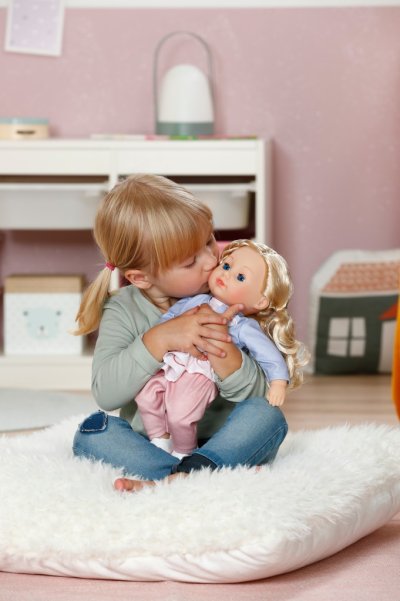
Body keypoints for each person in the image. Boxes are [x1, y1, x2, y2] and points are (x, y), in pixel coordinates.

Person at [72, 174, 290, 492]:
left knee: (267, 416)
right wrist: (160, 338)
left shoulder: (229, 298)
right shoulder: (122, 309)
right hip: (153, 443)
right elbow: (106, 393)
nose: (211, 260)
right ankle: (197, 476)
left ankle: (175, 478)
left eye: (209, 241)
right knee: (93, 431)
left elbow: (256, 394)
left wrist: (223, 350)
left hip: (222, 438)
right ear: (140, 277)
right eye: (190, 261)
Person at [136, 239, 307, 458]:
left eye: (240, 277)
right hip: (172, 361)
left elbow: (267, 353)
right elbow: (168, 320)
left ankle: (184, 453)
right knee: (146, 395)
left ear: (260, 301)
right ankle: (160, 440)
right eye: (226, 265)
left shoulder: (241, 326)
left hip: (200, 374)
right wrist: (162, 335)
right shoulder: (196, 300)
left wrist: (278, 382)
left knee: (180, 414)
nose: (226, 274)